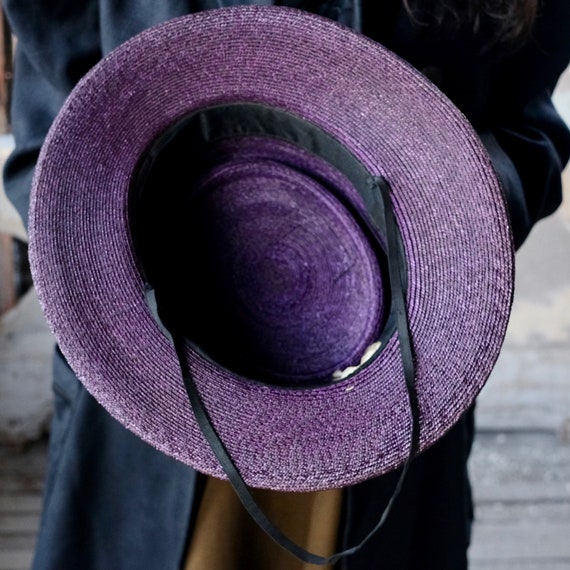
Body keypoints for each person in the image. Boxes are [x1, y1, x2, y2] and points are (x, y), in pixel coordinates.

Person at [3, 1, 570, 568]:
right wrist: (102, 267)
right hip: (155, 385)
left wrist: (451, 216)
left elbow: (529, 128)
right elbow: (54, 133)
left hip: (389, 380)